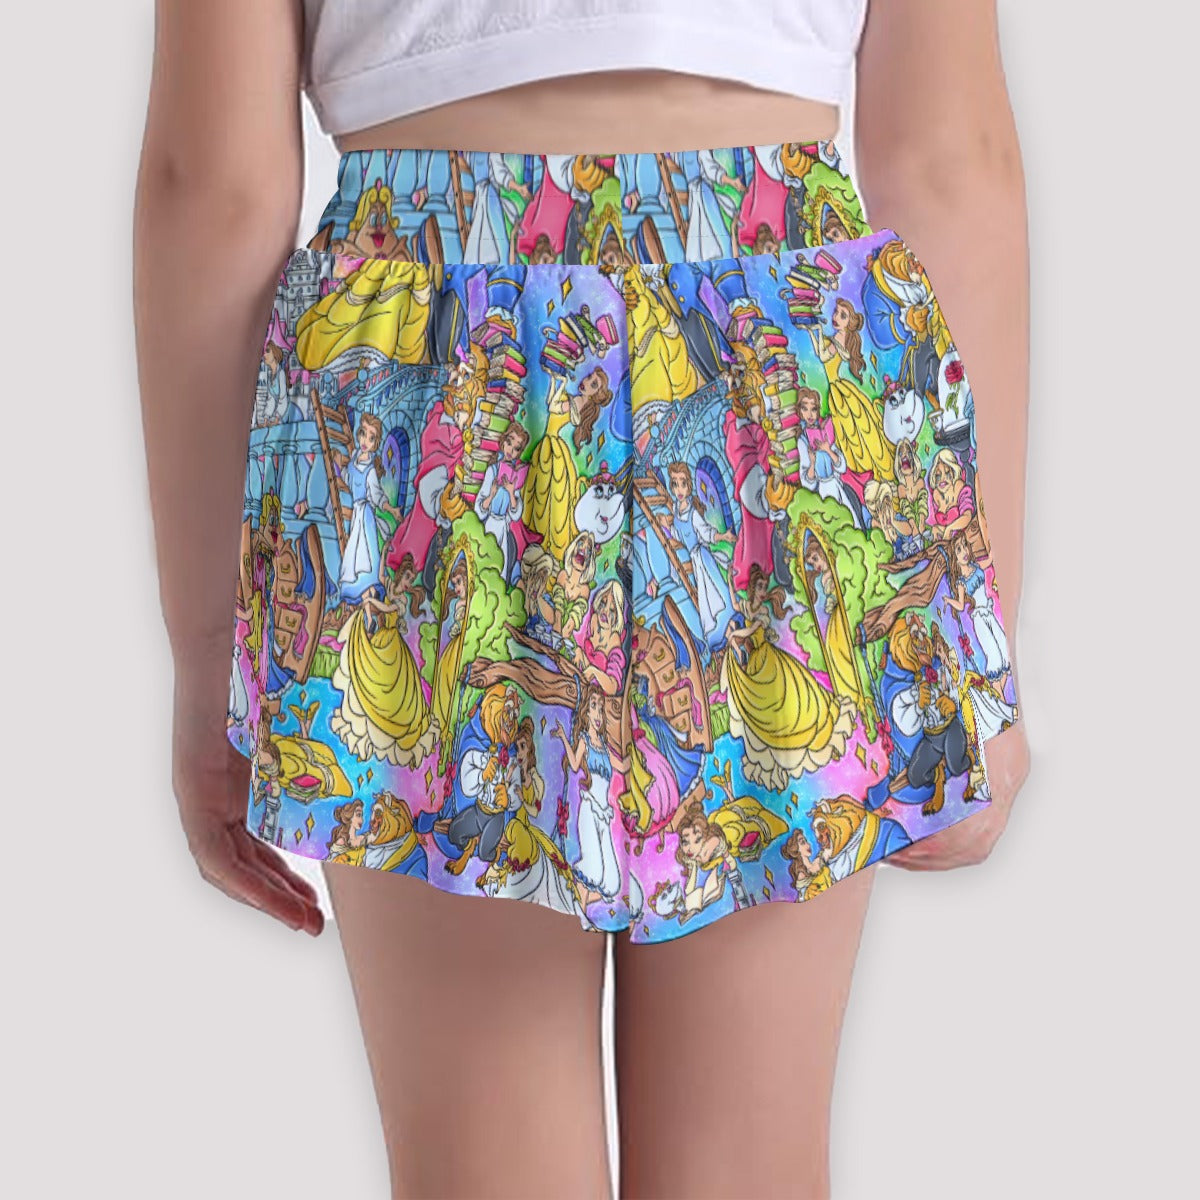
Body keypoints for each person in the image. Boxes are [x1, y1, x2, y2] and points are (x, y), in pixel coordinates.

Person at [135, 3, 1031, 1196]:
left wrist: (212, 653)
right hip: (772, 363)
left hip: (429, 366)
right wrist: (976, 658)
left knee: (482, 1162)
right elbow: (952, 158)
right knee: (748, 1165)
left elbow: (216, 188)